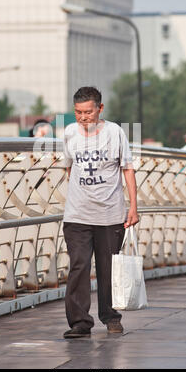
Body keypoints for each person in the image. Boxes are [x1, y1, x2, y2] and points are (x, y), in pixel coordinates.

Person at [62, 86, 139, 339]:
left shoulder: (115, 132)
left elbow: (127, 169)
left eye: (88, 112)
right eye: (78, 112)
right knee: (79, 266)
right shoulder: (69, 133)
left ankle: (111, 317)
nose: (83, 117)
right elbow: (69, 168)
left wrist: (133, 207)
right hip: (77, 215)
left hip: (110, 215)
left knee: (108, 269)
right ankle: (80, 323)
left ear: (100, 109)